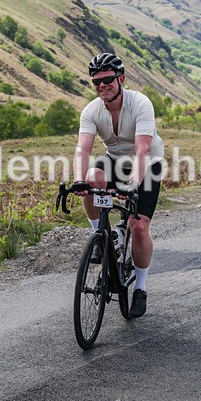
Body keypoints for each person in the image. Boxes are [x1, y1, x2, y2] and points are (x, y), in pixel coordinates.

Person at [73, 52, 164, 318]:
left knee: (138, 225)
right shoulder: (91, 111)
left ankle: (141, 288)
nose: (102, 86)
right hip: (114, 160)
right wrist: (78, 181)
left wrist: (133, 184)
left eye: (107, 79)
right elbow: (83, 149)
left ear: (121, 78)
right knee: (91, 179)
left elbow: (143, 149)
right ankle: (103, 237)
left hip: (147, 164)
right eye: (96, 81)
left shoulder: (140, 103)